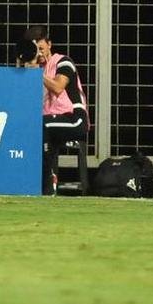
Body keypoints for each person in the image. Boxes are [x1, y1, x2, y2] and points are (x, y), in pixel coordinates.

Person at [24, 25, 89, 196]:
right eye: (35, 49)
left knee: (43, 126)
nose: (39, 53)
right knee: (34, 127)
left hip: (75, 119)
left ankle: (46, 182)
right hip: (51, 120)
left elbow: (59, 87)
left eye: (41, 48)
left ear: (49, 44)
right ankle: (39, 181)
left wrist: (37, 74)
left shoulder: (63, 61)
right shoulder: (35, 69)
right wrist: (27, 68)